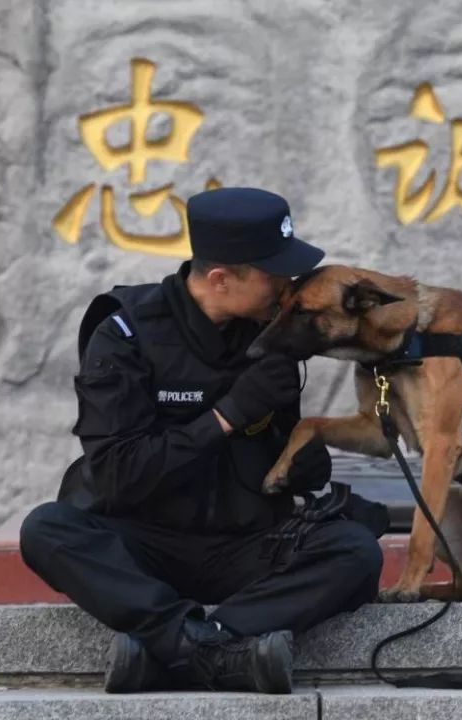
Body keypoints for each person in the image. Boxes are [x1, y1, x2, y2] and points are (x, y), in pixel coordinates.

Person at [19, 187, 387, 694]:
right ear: (220, 279)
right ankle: (220, 650)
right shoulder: (124, 333)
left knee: (355, 550)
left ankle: (183, 648)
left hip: (244, 547)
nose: (287, 289)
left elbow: (276, 456)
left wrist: (302, 461)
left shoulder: (272, 336)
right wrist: (227, 415)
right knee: (47, 531)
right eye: (273, 274)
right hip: (144, 546)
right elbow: (118, 476)